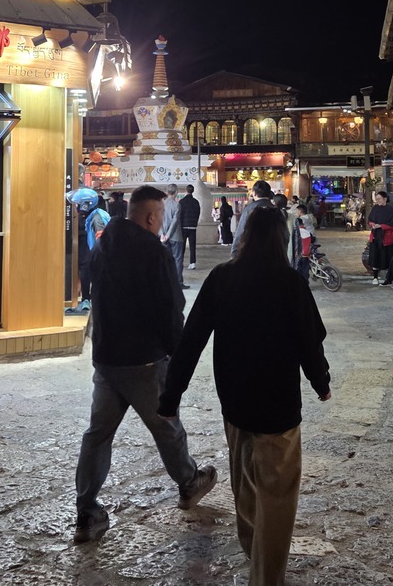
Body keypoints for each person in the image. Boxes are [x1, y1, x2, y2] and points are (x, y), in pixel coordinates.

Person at [159, 205, 331, 586]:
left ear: (245, 236)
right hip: (278, 408)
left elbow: (191, 340)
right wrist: (321, 382)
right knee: (278, 496)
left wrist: (171, 396)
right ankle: (266, 575)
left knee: (246, 488)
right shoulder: (290, 283)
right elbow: (310, 341)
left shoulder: (222, 278)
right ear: (282, 240)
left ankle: (255, 553)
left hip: (235, 405)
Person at [73, 185, 216, 544]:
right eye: (161, 215)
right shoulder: (154, 252)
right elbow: (171, 309)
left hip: (107, 358)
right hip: (144, 360)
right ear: (152, 217)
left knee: (97, 434)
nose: (161, 221)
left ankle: (86, 510)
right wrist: (177, 355)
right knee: (166, 426)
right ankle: (189, 482)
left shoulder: (104, 244)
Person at [231, 180, 273, 252]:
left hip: (253, 249)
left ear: (254, 193)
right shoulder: (276, 209)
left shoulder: (250, 209)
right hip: (274, 250)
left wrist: (234, 251)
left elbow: (241, 231)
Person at [366, 191, 393, 284]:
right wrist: (372, 224)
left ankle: (388, 278)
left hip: (386, 237)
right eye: (377, 199)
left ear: (385, 199)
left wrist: (381, 226)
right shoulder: (375, 208)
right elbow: (370, 220)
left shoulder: (391, 210)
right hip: (375, 236)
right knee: (375, 257)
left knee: (387, 257)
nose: (378, 201)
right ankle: (375, 277)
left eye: (379, 199)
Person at [160, 183, 185, 287]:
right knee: (178, 259)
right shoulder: (177, 205)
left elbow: (159, 220)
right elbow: (175, 221)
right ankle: (178, 283)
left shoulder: (161, 204)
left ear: (167, 192)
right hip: (175, 236)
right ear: (176, 192)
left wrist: (162, 234)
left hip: (163, 237)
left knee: (166, 260)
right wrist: (168, 235)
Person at [179, 184, 201, 270]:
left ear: (186, 190)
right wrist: (195, 222)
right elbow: (198, 213)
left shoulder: (182, 202)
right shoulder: (196, 202)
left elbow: (179, 215)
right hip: (193, 227)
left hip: (183, 227)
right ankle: (192, 263)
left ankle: (180, 262)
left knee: (182, 246)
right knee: (192, 246)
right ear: (193, 191)